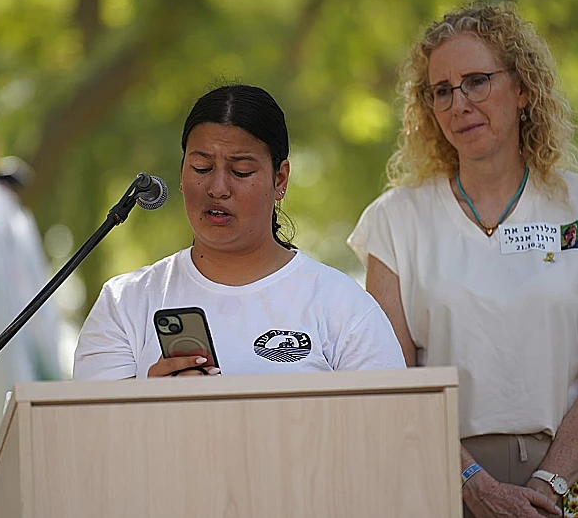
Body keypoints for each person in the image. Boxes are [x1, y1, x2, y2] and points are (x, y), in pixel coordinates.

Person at [347, 2, 578, 518]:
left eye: (477, 81)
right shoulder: (393, 222)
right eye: (442, 91)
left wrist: (551, 485)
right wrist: (472, 483)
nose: (460, 103)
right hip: (447, 478)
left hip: (575, 474)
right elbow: (393, 379)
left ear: (523, 90)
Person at [74, 84, 406, 380]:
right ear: (181, 171)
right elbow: (91, 436)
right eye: (201, 168)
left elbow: (389, 430)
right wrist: (152, 403)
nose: (217, 188)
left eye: (241, 170)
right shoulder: (124, 303)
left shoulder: (343, 307)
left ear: (280, 180)